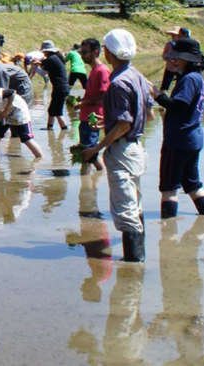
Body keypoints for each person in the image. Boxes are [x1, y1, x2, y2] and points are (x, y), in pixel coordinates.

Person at [82, 29, 151, 263]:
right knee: (136, 203)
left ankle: (133, 264)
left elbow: (124, 123)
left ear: (109, 52)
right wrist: (108, 121)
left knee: (125, 208)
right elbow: (147, 114)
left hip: (122, 149)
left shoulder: (118, 83)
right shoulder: (137, 76)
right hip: (136, 148)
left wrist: (98, 147)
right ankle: (139, 258)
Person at [151, 37, 204, 218]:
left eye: (177, 57)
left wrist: (156, 95)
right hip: (192, 138)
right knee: (193, 185)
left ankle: (167, 235)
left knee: (168, 188)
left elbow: (178, 106)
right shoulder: (196, 78)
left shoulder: (188, 79)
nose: (173, 60)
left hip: (179, 140)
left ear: (188, 59)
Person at [76, 38, 109, 174]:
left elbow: (104, 96)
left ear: (95, 52)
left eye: (85, 52)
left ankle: (97, 176)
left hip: (93, 117)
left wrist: (84, 103)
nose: (82, 56)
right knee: (85, 151)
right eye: (81, 53)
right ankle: (87, 180)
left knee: (89, 152)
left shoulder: (102, 71)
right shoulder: (94, 70)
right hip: (86, 116)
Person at [39, 40, 70, 130]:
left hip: (59, 88)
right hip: (61, 88)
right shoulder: (56, 57)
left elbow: (43, 73)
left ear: (46, 51)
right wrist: (39, 64)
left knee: (57, 112)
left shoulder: (51, 59)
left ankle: (64, 130)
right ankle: (49, 128)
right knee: (52, 110)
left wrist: (35, 67)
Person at [160, 26, 191, 92]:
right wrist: (169, 57)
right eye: (172, 35)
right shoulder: (169, 44)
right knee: (164, 86)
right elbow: (164, 55)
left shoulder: (184, 45)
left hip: (180, 69)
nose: (173, 37)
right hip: (170, 68)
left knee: (179, 86)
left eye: (175, 35)